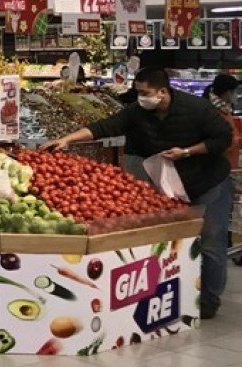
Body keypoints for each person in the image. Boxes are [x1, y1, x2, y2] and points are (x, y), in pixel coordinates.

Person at [41, 68, 233, 319]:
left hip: (208, 182)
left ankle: (208, 302)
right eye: (138, 92)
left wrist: (186, 152)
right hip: (171, 185)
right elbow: (105, 127)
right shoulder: (137, 111)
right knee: (173, 240)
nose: (141, 97)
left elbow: (223, 138)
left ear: (162, 92)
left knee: (210, 242)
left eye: (145, 93)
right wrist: (67, 139)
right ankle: (176, 291)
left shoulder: (196, 109)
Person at [204, 74, 241, 169]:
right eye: (235, 91)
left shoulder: (225, 108)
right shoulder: (212, 112)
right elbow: (217, 142)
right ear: (227, 92)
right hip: (219, 166)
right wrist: (238, 140)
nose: (237, 94)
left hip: (229, 162)